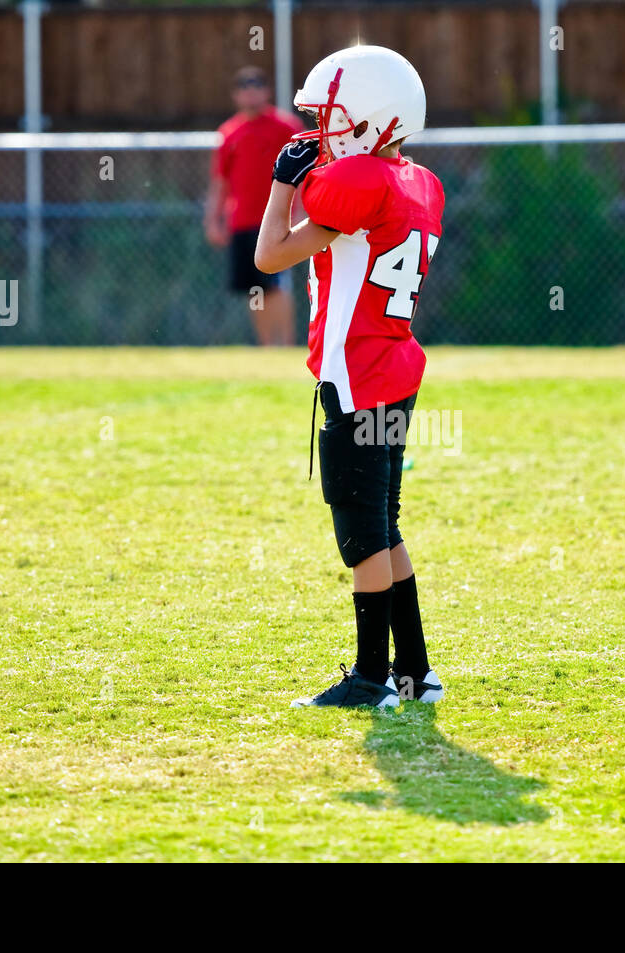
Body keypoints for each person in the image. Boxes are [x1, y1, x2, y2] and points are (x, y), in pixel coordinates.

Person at [255, 46, 446, 709]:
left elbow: (269, 251)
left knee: (362, 534)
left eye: (333, 115)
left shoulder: (362, 182)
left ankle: (372, 677)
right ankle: (415, 674)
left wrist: (282, 182)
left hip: (357, 374)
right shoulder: (420, 181)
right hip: (395, 369)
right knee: (385, 523)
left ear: (370, 119)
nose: (321, 128)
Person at [205, 67, 304, 346]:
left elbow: (305, 174)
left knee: (278, 284)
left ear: (266, 90)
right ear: (236, 95)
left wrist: (300, 211)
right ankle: (266, 347)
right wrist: (213, 220)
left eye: (256, 86)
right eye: (244, 87)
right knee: (256, 289)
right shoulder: (229, 132)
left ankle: (285, 344)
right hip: (242, 222)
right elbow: (220, 182)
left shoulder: (286, 127)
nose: (251, 92)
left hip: (276, 219)